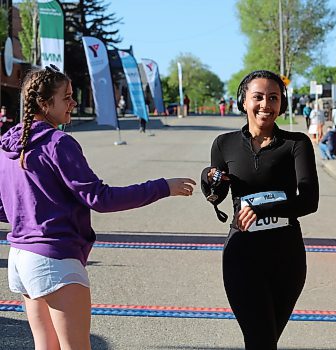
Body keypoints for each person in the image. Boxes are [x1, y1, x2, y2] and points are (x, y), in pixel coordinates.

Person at [0, 65, 196, 349]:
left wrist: (30, 213)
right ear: (44, 103)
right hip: (54, 259)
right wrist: (162, 187)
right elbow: (100, 198)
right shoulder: (59, 143)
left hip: (20, 258)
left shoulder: (8, 146)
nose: (73, 103)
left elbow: (5, 206)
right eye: (66, 97)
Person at [200, 70, 319, 349]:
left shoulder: (296, 144)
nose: (266, 104)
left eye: (273, 98)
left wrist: (261, 209)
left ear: (281, 104)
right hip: (241, 255)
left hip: (286, 257)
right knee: (260, 340)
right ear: (244, 101)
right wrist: (209, 179)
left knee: (265, 341)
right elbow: (218, 196)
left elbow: (309, 201)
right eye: (258, 97)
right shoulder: (224, 144)